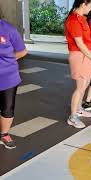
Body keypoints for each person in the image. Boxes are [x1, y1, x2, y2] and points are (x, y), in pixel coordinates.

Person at [65, 0, 91, 128]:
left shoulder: (82, 18)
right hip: (79, 56)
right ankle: (72, 117)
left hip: (87, 53)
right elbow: (79, 43)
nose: (90, 9)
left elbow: (88, 38)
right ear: (84, 4)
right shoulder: (73, 20)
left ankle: (78, 108)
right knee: (80, 87)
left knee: (85, 84)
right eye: (90, 5)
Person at [0, 14, 28, 149]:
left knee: (7, 108)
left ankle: (4, 134)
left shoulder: (8, 29)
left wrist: (6, 61)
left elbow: (22, 51)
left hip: (8, 77)